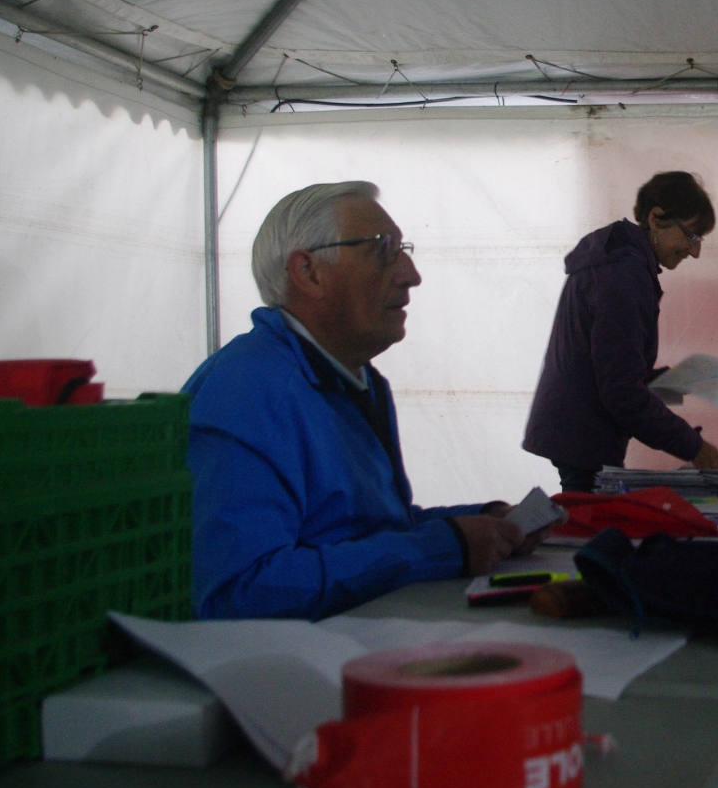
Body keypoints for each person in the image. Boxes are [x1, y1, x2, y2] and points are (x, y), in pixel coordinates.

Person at [184, 181, 544, 620]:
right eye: (382, 249)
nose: (411, 275)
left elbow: (364, 529)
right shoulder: (247, 393)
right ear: (309, 272)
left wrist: (484, 524)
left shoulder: (354, 379)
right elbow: (237, 591)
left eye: (403, 249)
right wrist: (441, 547)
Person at [524, 171, 718, 493]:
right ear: (656, 219)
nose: (695, 251)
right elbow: (621, 391)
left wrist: (674, 382)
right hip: (584, 435)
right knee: (591, 517)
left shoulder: (617, 261)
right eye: (691, 236)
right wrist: (694, 448)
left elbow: (612, 370)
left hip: (576, 429)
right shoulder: (623, 275)